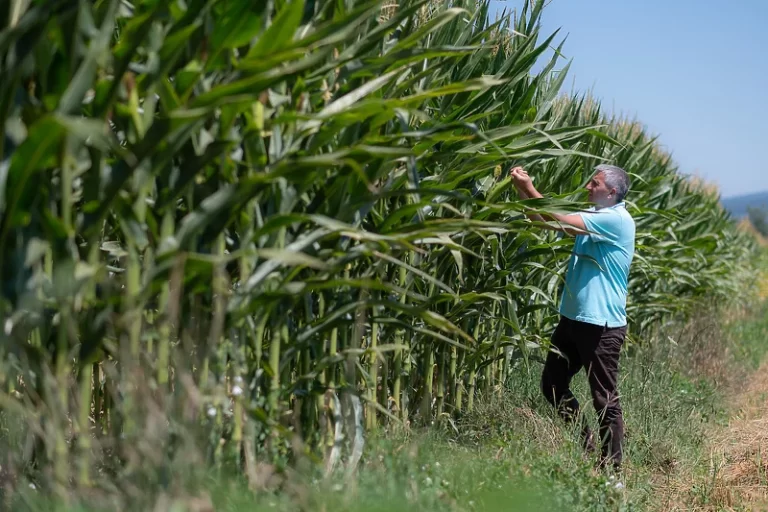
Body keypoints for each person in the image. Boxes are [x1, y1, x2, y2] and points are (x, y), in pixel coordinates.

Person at [509, 164, 635, 471]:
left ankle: (612, 472)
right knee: (552, 384)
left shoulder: (616, 219)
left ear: (612, 192)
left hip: (601, 325)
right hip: (573, 320)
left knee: (604, 399)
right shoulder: (595, 216)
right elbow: (549, 225)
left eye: (594, 184)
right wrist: (524, 193)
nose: (588, 188)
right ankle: (588, 446)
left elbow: (562, 220)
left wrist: (531, 188)